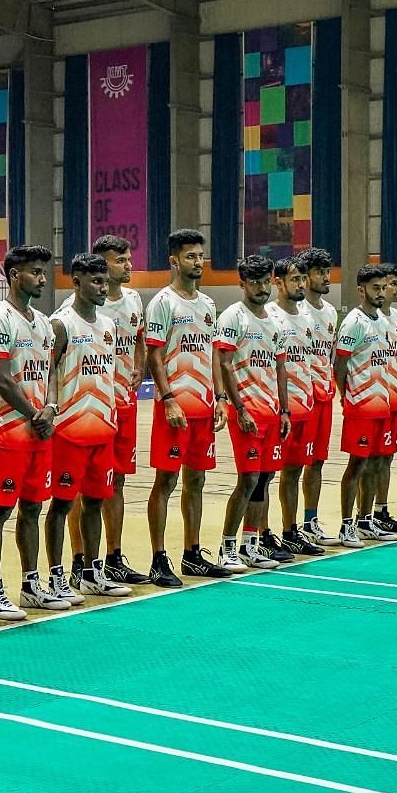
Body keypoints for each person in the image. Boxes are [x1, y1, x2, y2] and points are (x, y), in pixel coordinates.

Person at [0, 245, 62, 617]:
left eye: (43, 272)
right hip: (5, 433)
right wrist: (34, 414)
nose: (42, 279)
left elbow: (50, 373)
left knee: (33, 508)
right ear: (14, 275)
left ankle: (31, 584)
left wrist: (50, 409)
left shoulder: (43, 323)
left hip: (38, 434)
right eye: (35, 272)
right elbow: (1, 379)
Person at [146, 229, 232, 584]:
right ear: (174, 261)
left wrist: (221, 398)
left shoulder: (209, 305)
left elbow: (212, 353)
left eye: (200, 256)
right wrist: (168, 400)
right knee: (166, 481)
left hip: (203, 408)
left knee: (197, 480)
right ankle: (158, 558)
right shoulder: (163, 303)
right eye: (190, 256)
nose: (198, 262)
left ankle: (192, 554)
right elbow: (154, 352)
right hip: (175, 410)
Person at [48, 253, 129, 597]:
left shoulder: (109, 325)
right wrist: (50, 409)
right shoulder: (60, 324)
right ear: (76, 282)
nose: (102, 287)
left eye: (105, 281)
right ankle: (55, 577)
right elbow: (48, 372)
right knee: (62, 504)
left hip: (103, 430)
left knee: (96, 500)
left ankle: (92, 574)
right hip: (69, 430)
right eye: (95, 281)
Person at [215, 254, 290, 571]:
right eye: (254, 282)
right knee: (248, 480)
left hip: (272, 413)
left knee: (265, 479)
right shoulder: (234, 317)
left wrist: (285, 410)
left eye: (264, 281)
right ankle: (227, 548)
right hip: (245, 413)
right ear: (242, 283)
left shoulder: (276, 322)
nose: (261, 288)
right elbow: (224, 362)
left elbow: (280, 367)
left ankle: (251, 545)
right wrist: (238, 408)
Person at [83, 234, 149, 585]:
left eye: (128, 258)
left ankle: (114, 555)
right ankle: (81, 560)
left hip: (125, 404)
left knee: (117, 480)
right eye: (120, 260)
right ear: (101, 264)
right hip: (92, 410)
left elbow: (139, 339)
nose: (128, 265)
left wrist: (139, 365)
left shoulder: (135, 299)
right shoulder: (85, 306)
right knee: (84, 486)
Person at [263, 253, 326, 558]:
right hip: (278, 409)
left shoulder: (308, 317)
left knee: (295, 471)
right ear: (278, 282)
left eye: (303, 278)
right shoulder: (270, 316)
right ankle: (261, 534)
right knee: (268, 473)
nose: (301, 284)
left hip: (307, 406)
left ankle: (290, 531)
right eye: (295, 279)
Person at [334, 265, 396, 547]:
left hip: (381, 404)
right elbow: (340, 363)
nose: (381, 293)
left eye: (383, 288)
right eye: (375, 288)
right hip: (360, 405)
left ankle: (365, 520)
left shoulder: (383, 321)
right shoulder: (353, 322)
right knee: (356, 465)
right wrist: (345, 394)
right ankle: (346, 526)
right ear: (361, 290)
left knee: (374, 463)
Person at [294, 248, 340, 548]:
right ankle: (285, 529)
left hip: (324, 396)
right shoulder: (292, 311)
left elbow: (330, 355)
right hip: (299, 398)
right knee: (292, 465)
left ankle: (310, 521)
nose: (327, 277)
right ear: (306, 276)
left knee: (318, 461)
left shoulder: (331, 311)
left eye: (328, 271)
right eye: (321, 272)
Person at [370, 263, 397, 534]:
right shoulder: (366, 319)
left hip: (394, 397)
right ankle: (364, 516)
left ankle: (381, 511)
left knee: (387, 456)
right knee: (368, 460)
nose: (395, 290)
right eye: (391, 284)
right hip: (371, 400)